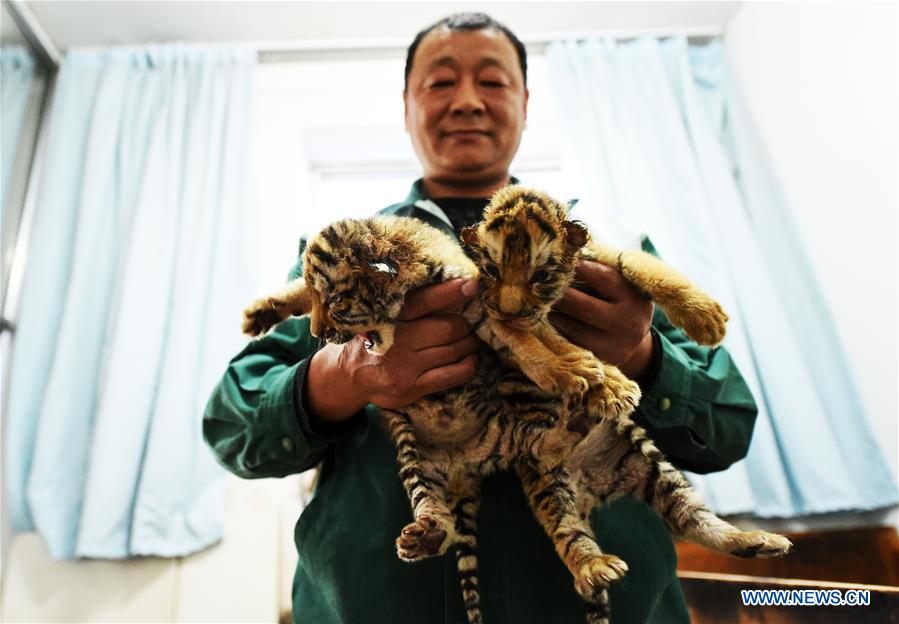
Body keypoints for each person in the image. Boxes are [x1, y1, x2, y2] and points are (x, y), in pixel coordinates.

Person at [203, 13, 758, 624]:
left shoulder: (606, 247)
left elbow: (729, 426)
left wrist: (641, 355)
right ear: (407, 104)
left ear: (524, 101)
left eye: (492, 82)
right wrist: (345, 376)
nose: (467, 100)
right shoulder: (349, 254)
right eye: (441, 82)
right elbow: (232, 425)